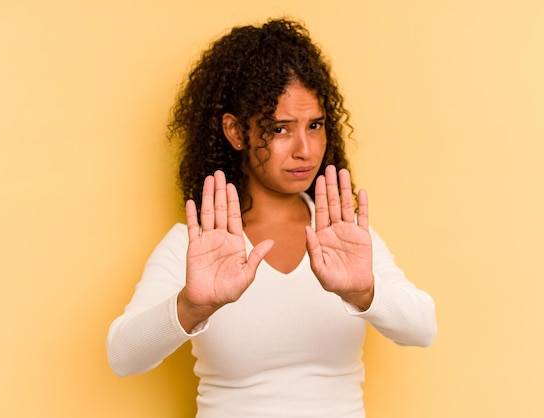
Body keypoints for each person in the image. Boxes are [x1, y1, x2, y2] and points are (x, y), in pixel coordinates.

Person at [107, 18, 436, 418]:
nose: (305, 149)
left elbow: (422, 329)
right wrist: (193, 306)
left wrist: (365, 293)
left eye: (315, 125)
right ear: (236, 131)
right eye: (280, 129)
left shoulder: (344, 236)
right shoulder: (194, 245)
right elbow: (123, 357)